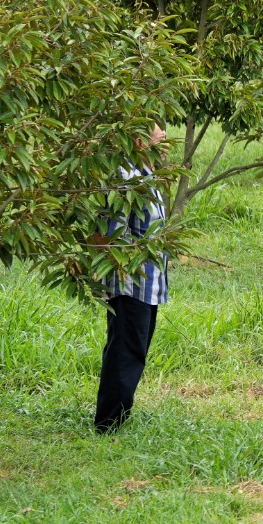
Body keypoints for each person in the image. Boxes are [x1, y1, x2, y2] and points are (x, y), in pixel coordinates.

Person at [94, 123, 170, 433]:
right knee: (124, 352)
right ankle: (108, 423)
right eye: (156, 131)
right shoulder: (126, 178)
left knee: (133, 351)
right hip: (130, 284)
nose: (163, 135)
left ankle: (118, 417)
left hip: (147, 283)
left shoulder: (146, 175)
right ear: (138, 140)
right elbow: (111, 235)